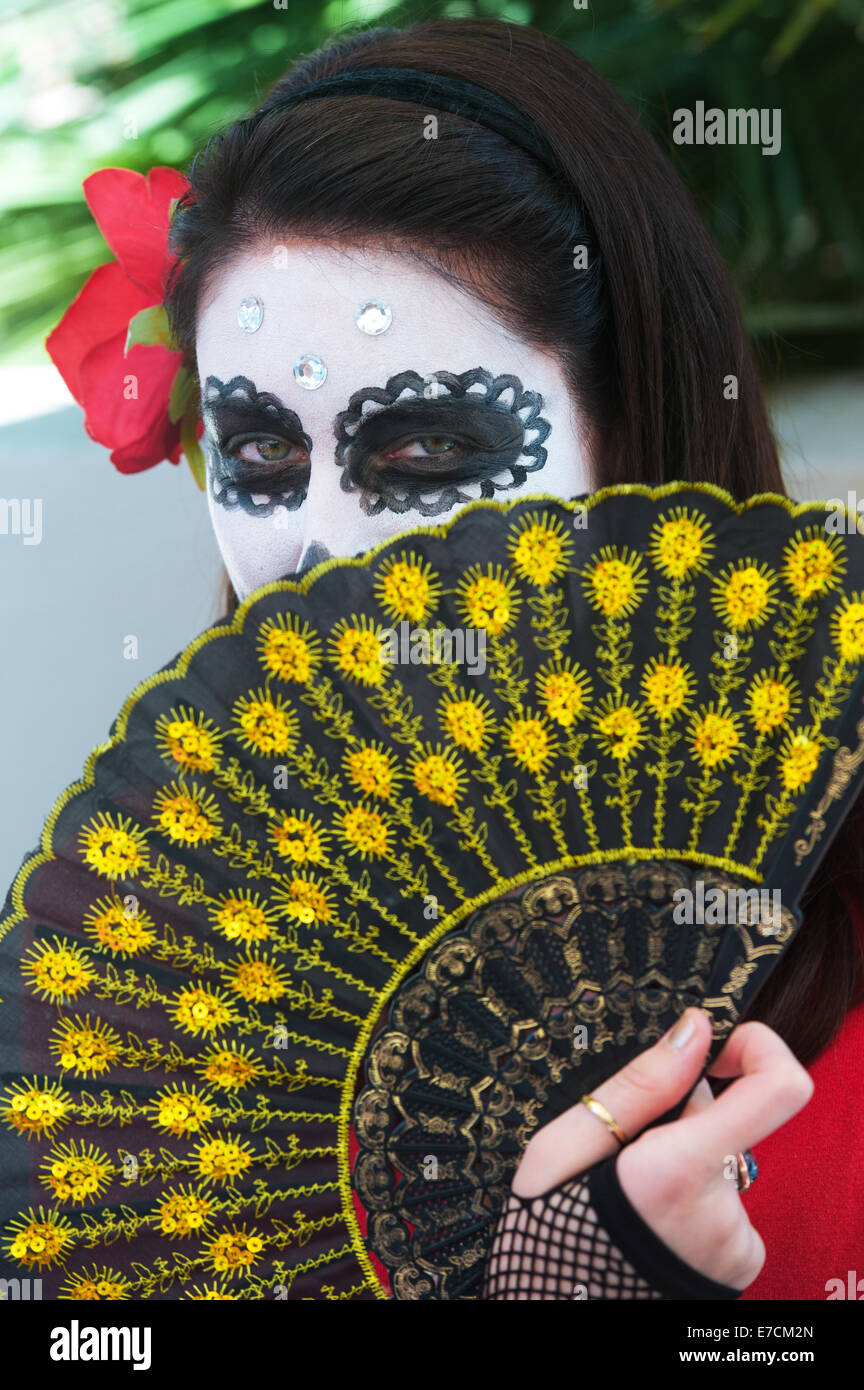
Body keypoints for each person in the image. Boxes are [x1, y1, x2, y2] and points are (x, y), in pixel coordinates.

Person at [16, 17, 864, 1299]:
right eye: (257, 453)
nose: (325, 550)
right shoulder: (147, 1001)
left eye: (422, 457)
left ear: (626, 439)